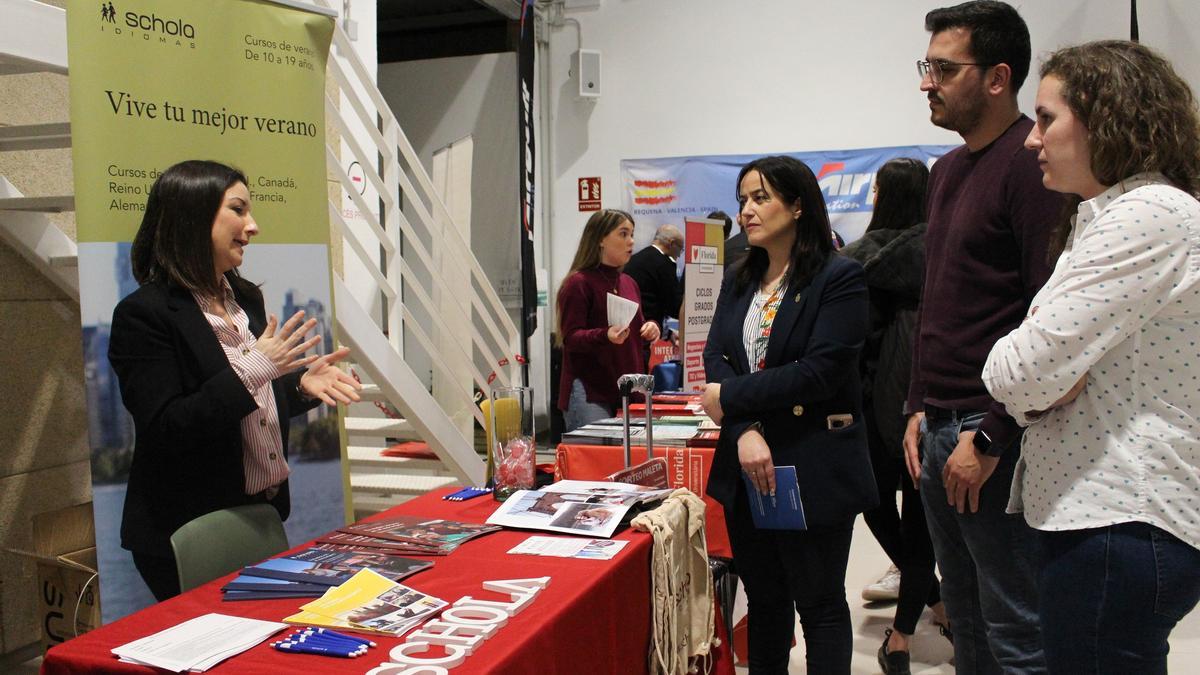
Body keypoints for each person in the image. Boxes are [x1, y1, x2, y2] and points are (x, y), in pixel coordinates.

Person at [982, 40, 1200, 674]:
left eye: (1047, 118)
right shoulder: (1110, 216)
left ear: (1107, 117)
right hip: (1110, 517)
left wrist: (1034, 372)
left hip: (1122, 516)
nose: (1031, 139)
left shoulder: (1147, 214)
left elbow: (1016, 371)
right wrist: (1042, 373)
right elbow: (1038, 371)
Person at [108, 159, 362, 600]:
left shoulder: (245, 296)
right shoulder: (142, 315)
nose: (253, 226)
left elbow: (251, 396)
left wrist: (299, 386)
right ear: (194, 215)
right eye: (239, 210)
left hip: (259, 516)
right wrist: (259, 367)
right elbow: (169, 426)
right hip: (185, 531)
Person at [903, 2, 1060, 671]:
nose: (926, 82)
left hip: (988, 434)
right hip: (939, 425)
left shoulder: (1031, 169)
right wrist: (916, 402)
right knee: (964, 618)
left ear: (998, 78)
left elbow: (1046, 318)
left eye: (943, 68)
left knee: (1016, 629)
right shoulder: (944, 172)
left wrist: (994, 432)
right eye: (926, 65)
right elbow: (937, 297)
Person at [701, 155, 877, 673]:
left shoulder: (839, 278)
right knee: (765, 603)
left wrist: (732, 402)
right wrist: (746, 431)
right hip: (745, 465)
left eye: (761, 198)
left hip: (812, 461)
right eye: (742, 200)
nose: (747, 211)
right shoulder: (740, 279)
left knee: (819, 604)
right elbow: (717, 358)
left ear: (798, 206)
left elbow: (818, 372)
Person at [841, 158, 949, 672]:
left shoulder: (857, 259)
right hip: (933, 403)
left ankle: (910, 630)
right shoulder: (943, 252)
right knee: (922, 519)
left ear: (881, 193)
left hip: (872, 409)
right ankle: (921, 620)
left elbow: (852, 346)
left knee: (877, 506)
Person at [556, 208, 660, 432]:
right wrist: (605, 335)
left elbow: (637, 333)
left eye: (632, 234)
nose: (631, 241)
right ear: (601, 239)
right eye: (623, 234)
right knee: (594, 463)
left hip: (627, 390)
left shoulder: (629, 283)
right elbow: (571, 338)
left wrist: (650, 329)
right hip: (590, 392)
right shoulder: (578, 283)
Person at [622, 223, 684, 364]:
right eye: (681, 249)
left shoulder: (634, 259)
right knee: (639, 382)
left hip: (627, 333)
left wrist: (668, 333)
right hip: (645, 336)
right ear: (671, 243)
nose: (680, 255)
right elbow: (674, 306)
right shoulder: (665, 264)